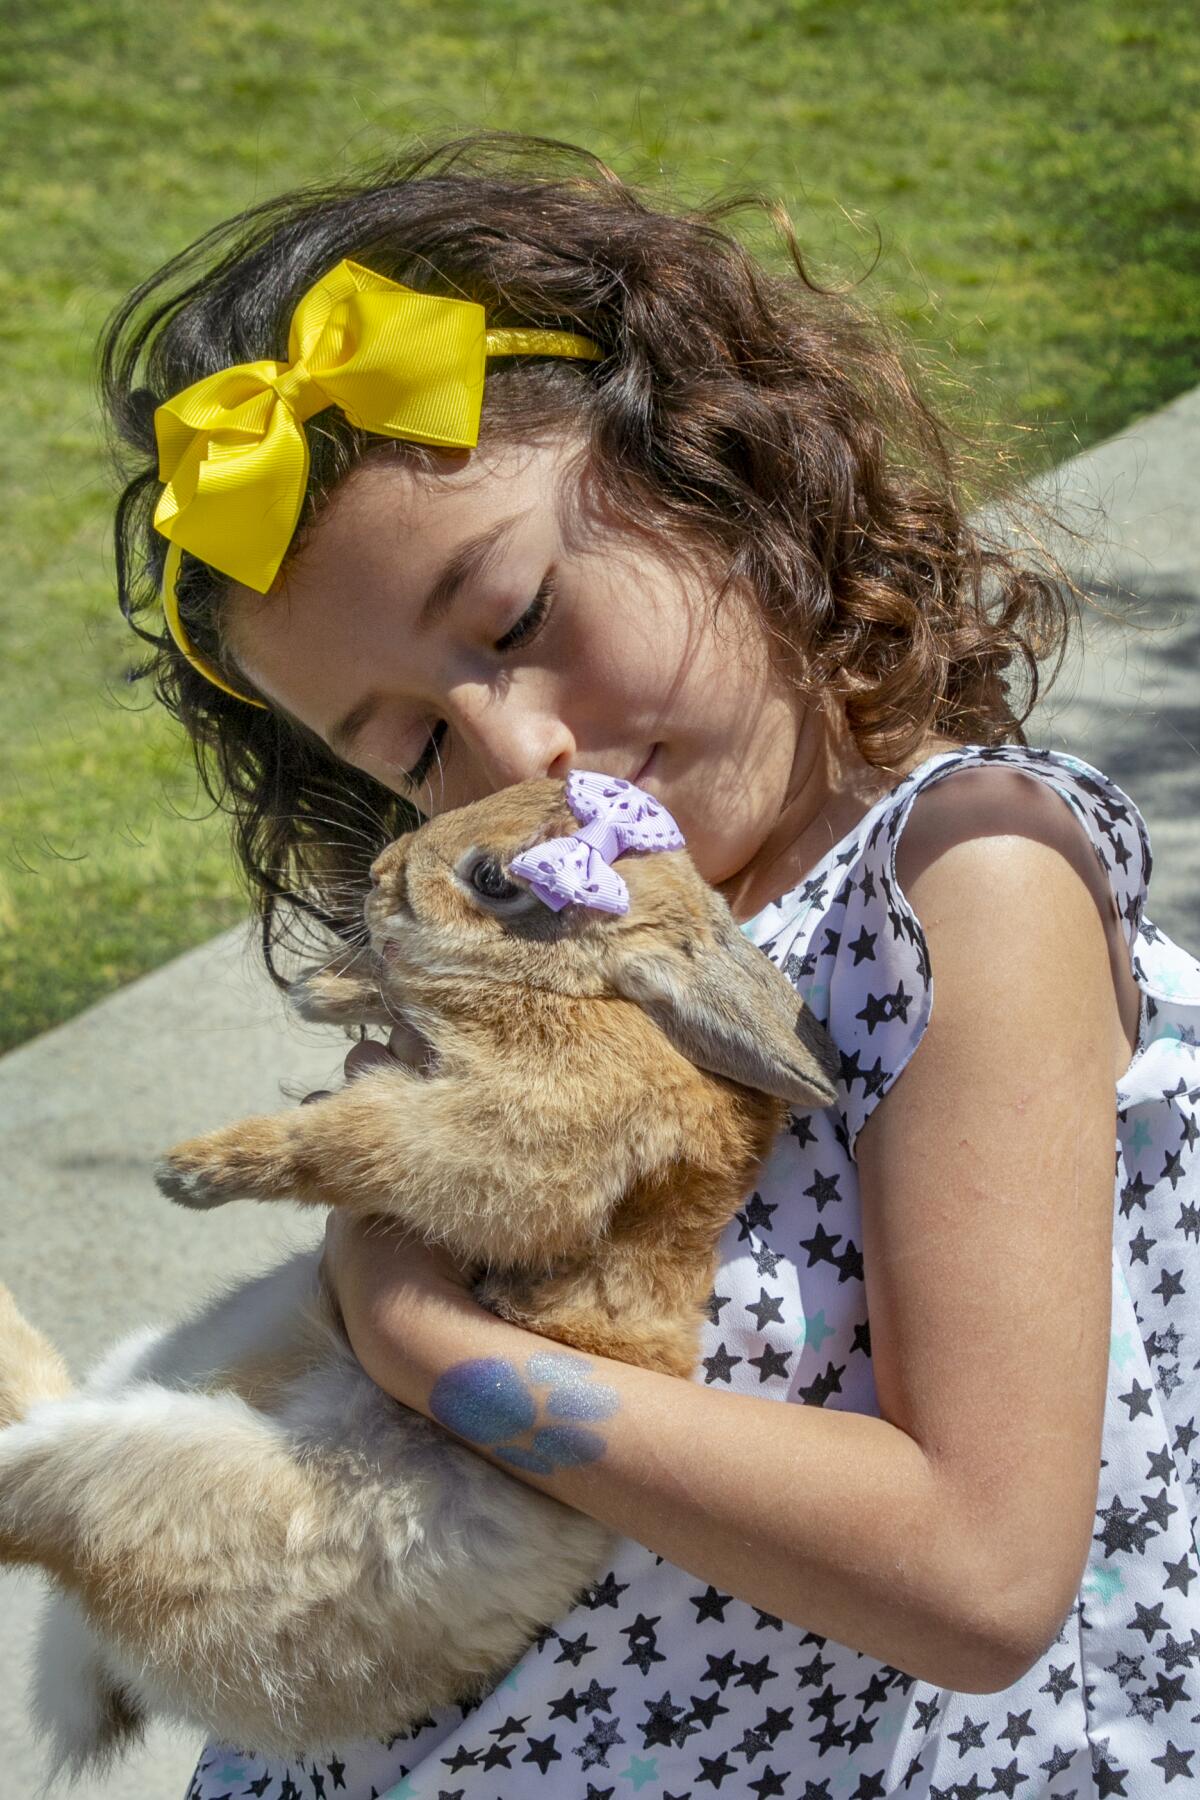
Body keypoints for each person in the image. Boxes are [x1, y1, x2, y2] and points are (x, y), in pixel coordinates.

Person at [98, 133, 1200, 1800]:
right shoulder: (571, 933)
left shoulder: (961, 885)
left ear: (706, 460)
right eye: (408, 741)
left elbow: (979, 1578)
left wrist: (420, 1337)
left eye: (520, 613)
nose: (518, 745)